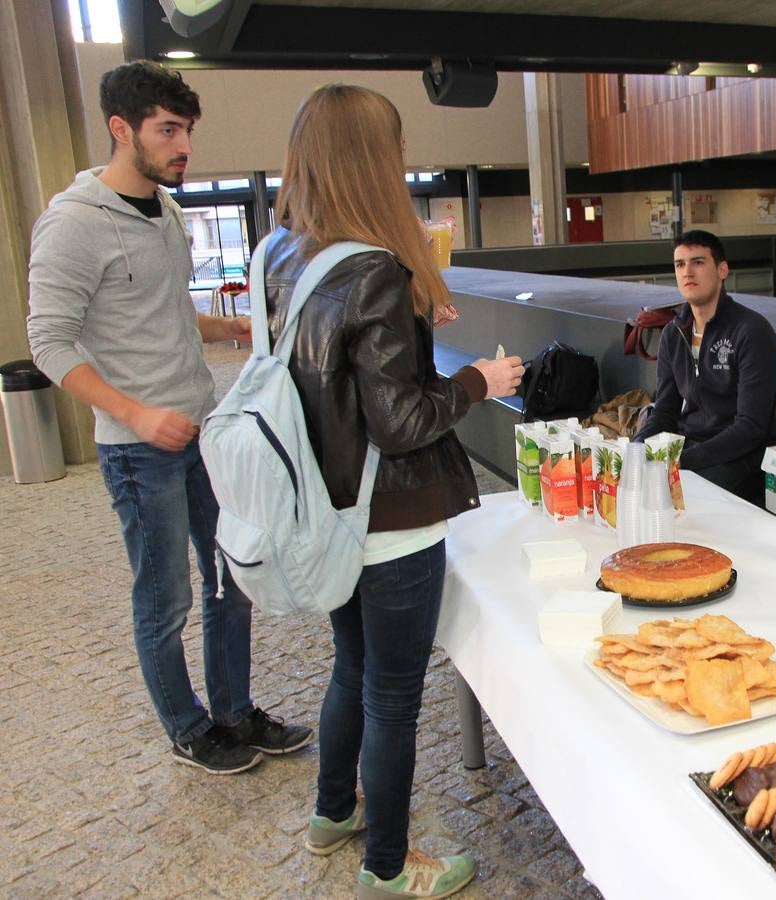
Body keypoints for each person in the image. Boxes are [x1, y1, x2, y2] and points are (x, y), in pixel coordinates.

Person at [264, 84, 522, 899]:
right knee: (392, 694)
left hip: (330, 507)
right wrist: (478, 380)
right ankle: (386, 865)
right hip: (393, 518)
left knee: (352, 666)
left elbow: (332, 374)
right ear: (375, 160)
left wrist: (411, 334)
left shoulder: (283, 252)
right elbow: (402, 421)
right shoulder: (376, 267)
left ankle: (332, 811)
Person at [27, 60, 310, 775]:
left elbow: (161, 311)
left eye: (186, 130)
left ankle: (236, 713)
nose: (183, 145)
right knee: (166, 598)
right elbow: (49, 344)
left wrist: (235, 331)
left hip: (201, 432)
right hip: (137, 446)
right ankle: (189, 729)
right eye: (167, 130)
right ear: (121, 129)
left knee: (231, 574)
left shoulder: (170, 208)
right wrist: (135, 414)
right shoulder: (72, 224)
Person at [634, 229, 776, 502]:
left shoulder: (751, 330)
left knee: (677, 498)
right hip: (690, 449)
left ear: (722, 270)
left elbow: (751, 427)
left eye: (698, 262)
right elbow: (665, 411)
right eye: (680, 264)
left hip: (741, 458)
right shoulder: (673, 333)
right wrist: (635, 451)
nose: (687, 272)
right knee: (635, 485)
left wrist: (680, 461)